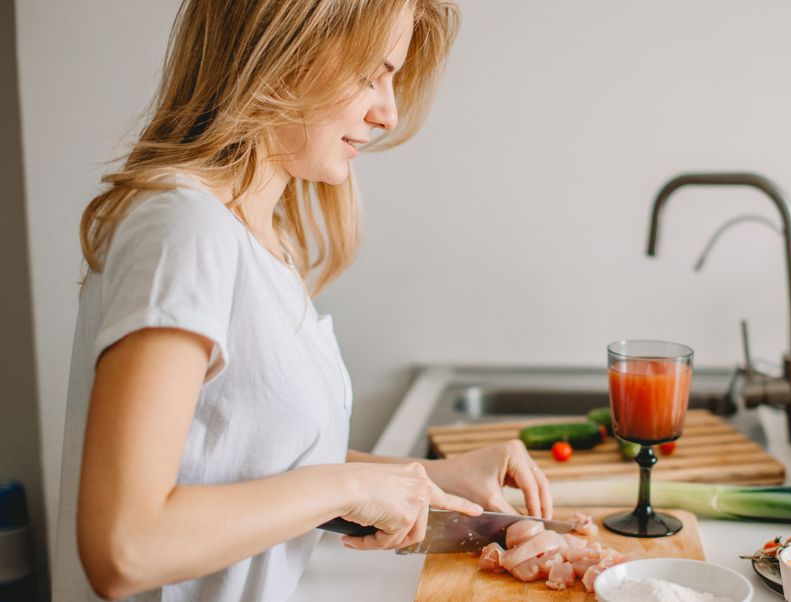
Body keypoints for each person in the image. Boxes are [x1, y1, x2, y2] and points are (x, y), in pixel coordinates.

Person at [54, 1, 553, 600]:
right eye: (372, 73)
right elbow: (124, 546)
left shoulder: (259, 238)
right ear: (282, 53)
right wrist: (347, 489)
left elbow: (243, 458)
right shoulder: (185, 228)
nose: (388, 113)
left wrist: (426, 478)